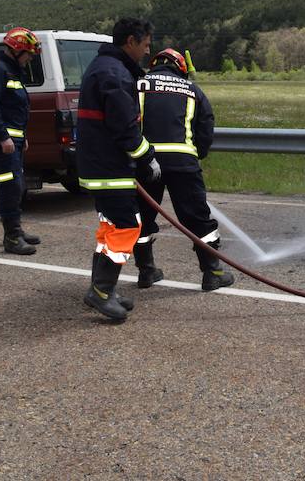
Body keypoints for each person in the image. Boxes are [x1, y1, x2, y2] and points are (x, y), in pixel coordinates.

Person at [77, 18, 161, 321]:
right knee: (126, 227)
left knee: (111, 229)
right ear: (130, 41)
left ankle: (104, 289)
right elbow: (124, 125)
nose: (147, 50)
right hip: (109, 167)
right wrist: (146, 156)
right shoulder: (114, 73)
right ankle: (100, 292)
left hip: (102, 165)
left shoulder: (105, 67)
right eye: (146, 44)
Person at [132, 48, 235, 291]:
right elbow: (205, 126)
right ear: (180, 67)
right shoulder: (192, 90)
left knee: (143, 219)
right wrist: (198, 153)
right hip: (183, 164)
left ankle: (146, 272)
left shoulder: (138, 86)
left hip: (146, 162)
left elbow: (126, 121)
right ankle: (212, 273)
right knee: (197, 219)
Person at [0, 27, 42, 255]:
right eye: (29, 54)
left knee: (18, 185)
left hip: (13, 140)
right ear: (16, 50)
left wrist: (21, 137)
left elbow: (15, 108)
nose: (30, 59)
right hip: (0, 141)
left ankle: (16, 229)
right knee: (10, 185)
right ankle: (12, 237)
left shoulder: (11, 70)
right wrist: (3, 137)